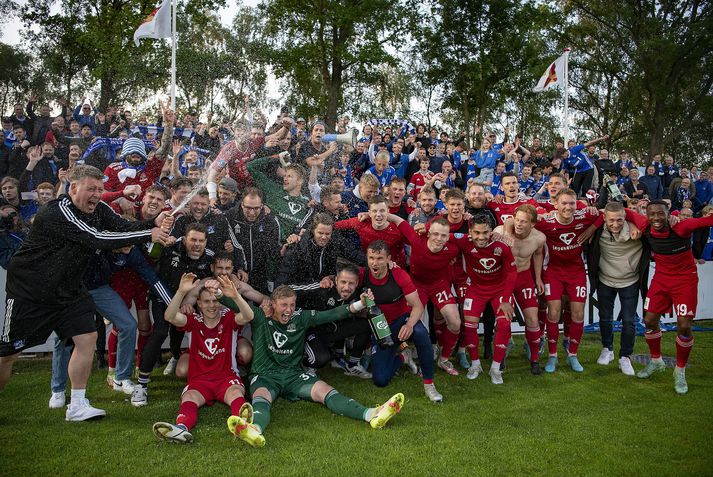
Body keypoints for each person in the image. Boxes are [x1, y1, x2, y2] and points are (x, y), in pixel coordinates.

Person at [0, 165, 172, 421]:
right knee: (8, 355)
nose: (96, 194)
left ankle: (77, 405)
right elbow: (97, 238)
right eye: (91, 189)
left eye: (100, 189)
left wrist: (152, 222)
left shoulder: (99, 209)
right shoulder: (57, 212)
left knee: (87, 337)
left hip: (69, 289)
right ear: (73, 188)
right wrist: (149, 233)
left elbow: (119, 228)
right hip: (30, 290)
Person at [218, 282, 404, 447]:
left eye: (292, 304)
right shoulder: (259, 317)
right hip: (265, 375)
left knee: (324, 390)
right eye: (284, 305)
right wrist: (217, 292)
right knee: (261, 397)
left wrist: (360, 304)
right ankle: (254, 429)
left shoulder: (301, 318)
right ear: (272, 305)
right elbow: (234, 305)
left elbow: (332, 314)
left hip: (294, 375)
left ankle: (371, 414)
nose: (289, 309)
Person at [622, 201, 713, 393]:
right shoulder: (645, 223)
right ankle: (656, 361)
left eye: (660, 214)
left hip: (685, 280)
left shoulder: (682, 226)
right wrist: (631, 224)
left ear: (668, 214)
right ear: (647, 215)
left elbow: (708, 221)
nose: (656, 218)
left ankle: (679, 370)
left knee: (685, 326)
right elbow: (625, 212)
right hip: (661, 280)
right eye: (652, 214)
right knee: (649, 320)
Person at [152, 274, 255, 444]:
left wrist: (235, 296)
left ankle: (243, 425)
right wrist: (180, 292)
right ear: (198, 303)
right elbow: (170, 317)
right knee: (189, 397)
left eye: (215, 301)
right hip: (200, 381)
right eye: (206, 301)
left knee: (236, 393)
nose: (212, 305)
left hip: (226, 377)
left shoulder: (228, 318)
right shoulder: (194, 321)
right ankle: (182, 429)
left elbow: (249, 316)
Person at [387, 213, 462, 381]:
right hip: (417, 286)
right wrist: (377, 214)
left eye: (443, 235)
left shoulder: (453, 247)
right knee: (416, 326)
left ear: (448, 237)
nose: (439, 238)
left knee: (455, 323)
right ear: (428, 233)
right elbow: (398, 220)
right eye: (435, 234)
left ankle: (443, 359)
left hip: (439, 285)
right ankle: (420, 360)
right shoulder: (416, 239)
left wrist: (498, 233)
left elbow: (472, 237)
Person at [359, 240, 437, 399]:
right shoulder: (362, 275)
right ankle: (404, 356)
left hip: (401, 321)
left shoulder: (399, 275)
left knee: (420, 332)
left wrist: (409, 324)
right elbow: (342, 282)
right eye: (371, 258)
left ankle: (429, 384)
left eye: (380, 258)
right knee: (380, 380)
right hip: (380, 330)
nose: (375, 262)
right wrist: (362, 302)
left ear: (388, 259)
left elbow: (418, 306)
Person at [535, 188, 600, 373]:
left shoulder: (582, 216)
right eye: (564, 203)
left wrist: (592, 228)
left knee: (578, 313)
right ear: (555, 204)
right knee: (553, 313)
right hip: (553, 273)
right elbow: (522, 221)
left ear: (576, 204)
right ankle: (552, 356)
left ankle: (573, 355)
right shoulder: (546, 222)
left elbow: (603, 215)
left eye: (571, 203)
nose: (568, 207)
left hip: (577, 272)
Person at [586, 201, 648, 376]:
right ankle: (607, 349)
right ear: (604, 218)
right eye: (611, 220)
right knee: (605, 317)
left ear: (625, 217)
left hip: (630, 281)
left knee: (629, 321)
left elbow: (654, 224)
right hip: (605, 280)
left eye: (620, 220)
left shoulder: (638, 232)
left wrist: (634, 223)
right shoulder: (598, 231)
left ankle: (625, 357)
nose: (615, 224)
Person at [454, 215, 517, 384]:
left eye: (485, 232)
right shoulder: (463, 242)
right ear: (470, 232)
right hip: (475, 289)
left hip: (499, 291)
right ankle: (475, 365)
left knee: (504, 324)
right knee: (469, 326)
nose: (481, 237)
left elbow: (512, 272)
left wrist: (505, 299)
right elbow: (442, 232)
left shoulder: (502, 246)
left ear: (491, 232)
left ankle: (496, 368)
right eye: (476, 233)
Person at [496, 204, 546, 374]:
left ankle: (534, 359)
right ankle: (500, 359)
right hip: (504, 279)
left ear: (532, 224)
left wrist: (538, 277)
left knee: (533, 319)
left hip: (524, 278)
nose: (518, 224)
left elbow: (538, 254)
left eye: (523, 222)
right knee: (504, 320)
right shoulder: (501, 231)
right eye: (517, 220)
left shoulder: (539, 238)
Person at [224, 187, 281, 295]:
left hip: (262, 276)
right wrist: (239, 268)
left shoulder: (270, 220)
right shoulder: (230, 217)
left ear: (262, 205)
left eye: (256, 208)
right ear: (241, 204)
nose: (252, 213)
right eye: (248, 208)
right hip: (238, 274)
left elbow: (275, 250)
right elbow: (233, 245)